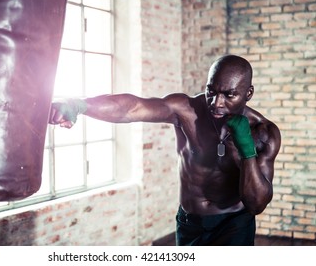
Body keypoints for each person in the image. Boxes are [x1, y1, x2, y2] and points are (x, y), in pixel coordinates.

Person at [48, 55, 281, 246]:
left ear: (248, 93)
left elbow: (256, 204)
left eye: (229, 95)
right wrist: (79, 105)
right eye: (211, 91)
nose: (216, 103)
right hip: (190, 223)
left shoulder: (263, 132)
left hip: (234, 224)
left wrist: (246, 151)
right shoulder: (186, 110)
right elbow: (132, 108)